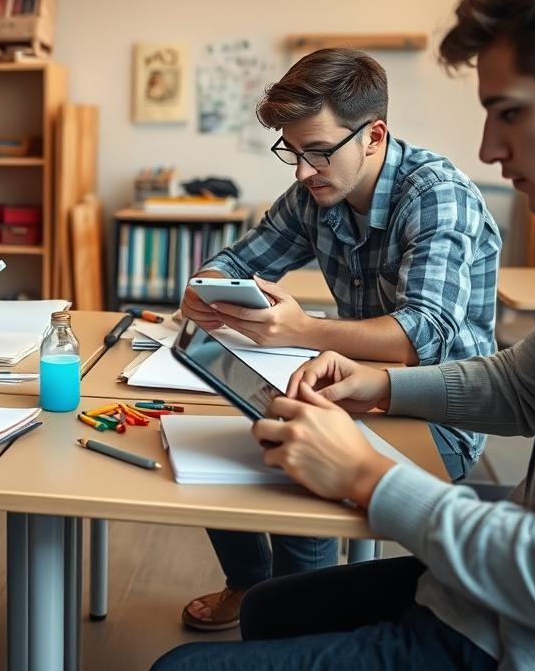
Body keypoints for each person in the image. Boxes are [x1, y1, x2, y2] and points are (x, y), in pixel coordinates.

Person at [154, 0, 535, 670]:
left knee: (181, 662)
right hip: (512, 598)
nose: (490, 148)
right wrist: (379, 385)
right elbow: (522, 388)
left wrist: (367, 475)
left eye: (510, 112)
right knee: (271, 606)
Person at [178, 48, 500, 631]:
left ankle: (305, 626)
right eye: (293, 152)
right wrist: (207, 287)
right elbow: (236, 260)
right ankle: (252, 585)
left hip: (437, 413)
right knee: (219, 440)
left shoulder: (435, 195)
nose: (303, 172)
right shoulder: (315, 195)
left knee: (300, 476)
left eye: (319, 151)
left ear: (374, 136)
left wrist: (301, 329)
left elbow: (421, 335)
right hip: (345, 386)